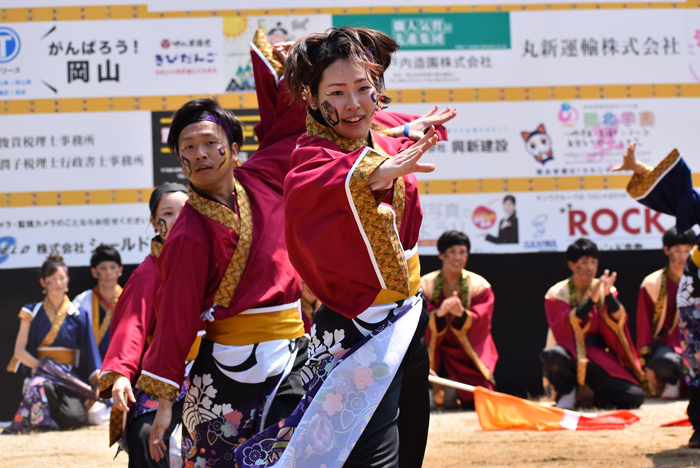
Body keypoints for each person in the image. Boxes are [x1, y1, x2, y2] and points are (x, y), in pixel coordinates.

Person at [235, 27, 456, 468]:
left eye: (363, 89)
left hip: (408, 318)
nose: (354, 103)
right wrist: (374, 173)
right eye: (337, 92)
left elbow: (382, 137)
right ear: (313, 101)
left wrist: (411, 129)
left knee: (411, 441)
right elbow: (320, 181)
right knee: (368, 457)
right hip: (357, 328)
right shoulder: (310, 155)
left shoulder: (382, 139)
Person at [134, 31, 312, 467]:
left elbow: (290, 128)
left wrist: (289, 73)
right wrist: (163, 406)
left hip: (292, 354)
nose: (200, 154)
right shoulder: (187, 235)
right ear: (180, 160)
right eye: (188, 148)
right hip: (225, 372)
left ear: (234, 150)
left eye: (210, 143)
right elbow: (176, 316)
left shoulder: (265, 176)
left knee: (305, 454)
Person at [613, 142, 700, 446]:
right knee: (696, 359)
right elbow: (682, 195)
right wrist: (639, 169)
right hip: (698, 289)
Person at [98, 183, 190, 467]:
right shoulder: (147, 274)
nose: (177, 220)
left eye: (185, 212)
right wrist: (122, 373)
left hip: (216, 369)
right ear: (153, 221)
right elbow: (131, 328)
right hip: (162, 377)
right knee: (145, 436)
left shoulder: (218, 264)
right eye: (167, 213)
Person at [540, 238, 645, 410]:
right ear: (572, 265)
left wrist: (608, 295)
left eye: (593, 262)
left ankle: (597, 397)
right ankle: (567, 393)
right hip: (569, 353)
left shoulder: (603, 288)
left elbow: (619, 319)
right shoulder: (558, 292)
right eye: (584, 262)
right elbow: (565, 326)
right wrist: (591, 301)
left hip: (596, 356)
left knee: (634, 396)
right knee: (552, 355)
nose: (590, 267)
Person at [4, 254, 102, 433]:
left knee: (74, 419)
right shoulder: (31, 311)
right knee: (41, 385)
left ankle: (50, 417)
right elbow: (19, 351)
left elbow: (89, 351)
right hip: (41, 374)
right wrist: (43, 367)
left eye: (61, 278)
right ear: (43, 282)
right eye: (52, 279)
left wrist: (96, 382)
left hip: (69, 376)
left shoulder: (78, 314)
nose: (58, 283)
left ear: (68, 280)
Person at [421, 230, 497, 409]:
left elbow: (483, 319)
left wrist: (462, 314)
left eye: (462, 253)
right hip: (435, 349)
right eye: (452, 253)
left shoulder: (479, 285)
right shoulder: (426, 284)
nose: (458, 258)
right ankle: (432, 394)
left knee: (480, 395)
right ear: (441, 255)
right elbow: (417, 319)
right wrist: (438, 314)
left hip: (464, 350)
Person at [636, 227, 694, 399]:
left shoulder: (696, 279)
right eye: (677, 251)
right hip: (667, 344)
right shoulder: (652, 283)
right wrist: (647, 362)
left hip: (695, 342)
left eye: (687, 251)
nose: (683, 256)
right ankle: (671, 382)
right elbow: (643, 322)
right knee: (663, 362)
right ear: (667, 250)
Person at [73, 244, 124, 359]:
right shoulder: (81, 301)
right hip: (92, 365)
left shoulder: (129, 299)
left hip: (124, 362)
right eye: (103, 268)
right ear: (94, 272)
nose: (108, 272)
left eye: (112, 267)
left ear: (120, 270)